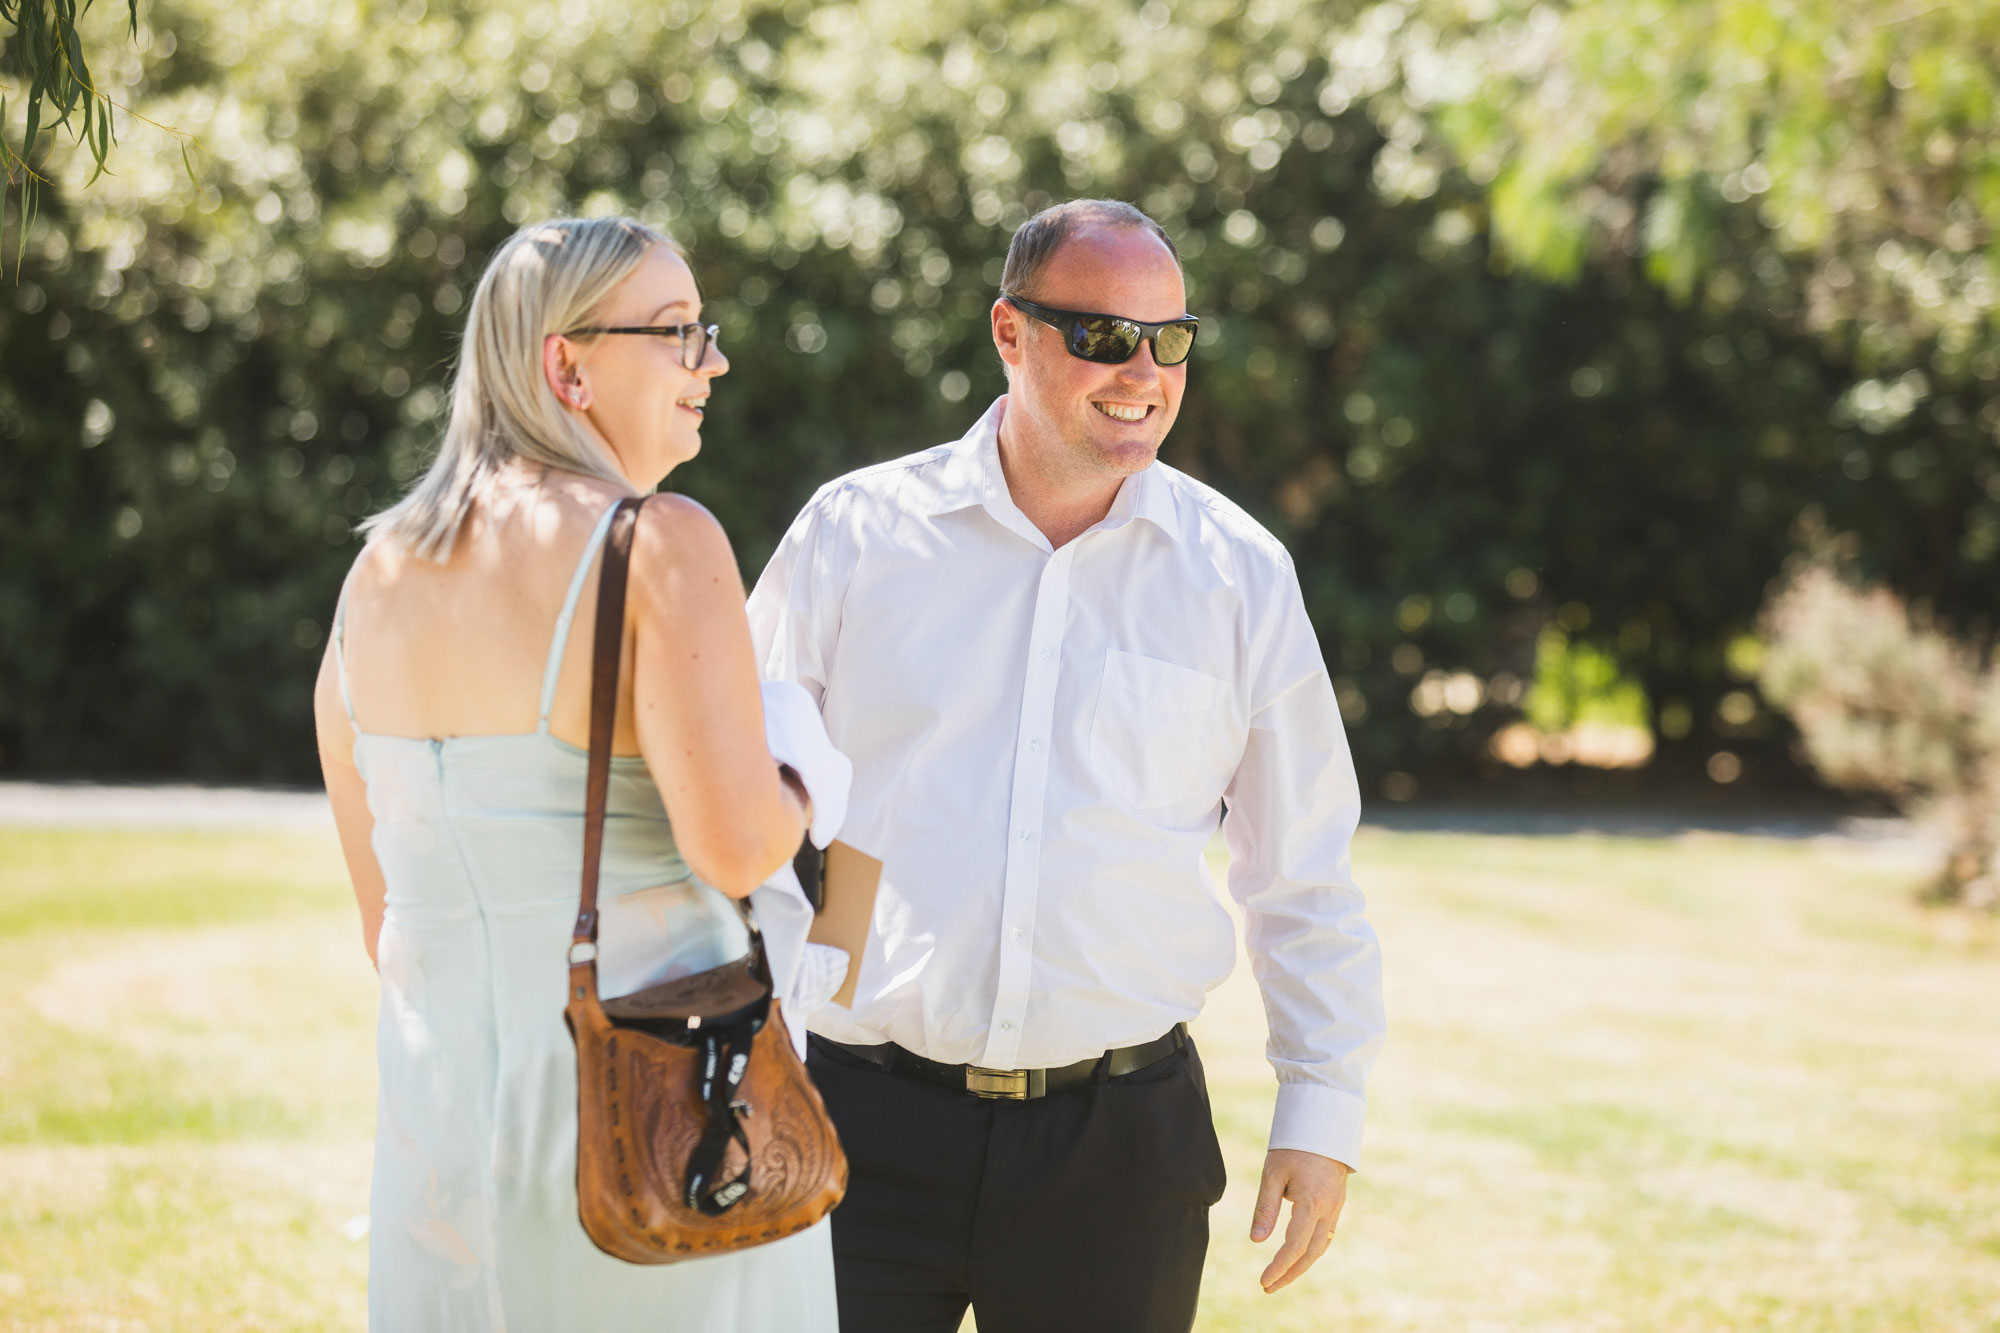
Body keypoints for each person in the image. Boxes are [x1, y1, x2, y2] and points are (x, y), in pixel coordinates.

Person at [747, 198, 1388, 1332]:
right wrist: (752, 1051)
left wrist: (1319, 1109)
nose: (1141, 372)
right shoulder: (853, 536)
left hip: (1119, 1152)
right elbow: (738, 821)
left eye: (1169, 340)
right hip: (855, 1125)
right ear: (1009, 332)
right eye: (1101, 337)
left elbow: (1300, 868)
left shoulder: (1238, 575)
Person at [313, 216, 841, 1331]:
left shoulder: (375, 574)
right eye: (677, 333)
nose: (714, 361)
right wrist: (803, 759)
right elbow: (740, 844)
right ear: (566, 362)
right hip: (649, 1120)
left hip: (441, 1123)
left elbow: (387, 922)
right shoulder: (656, 541)